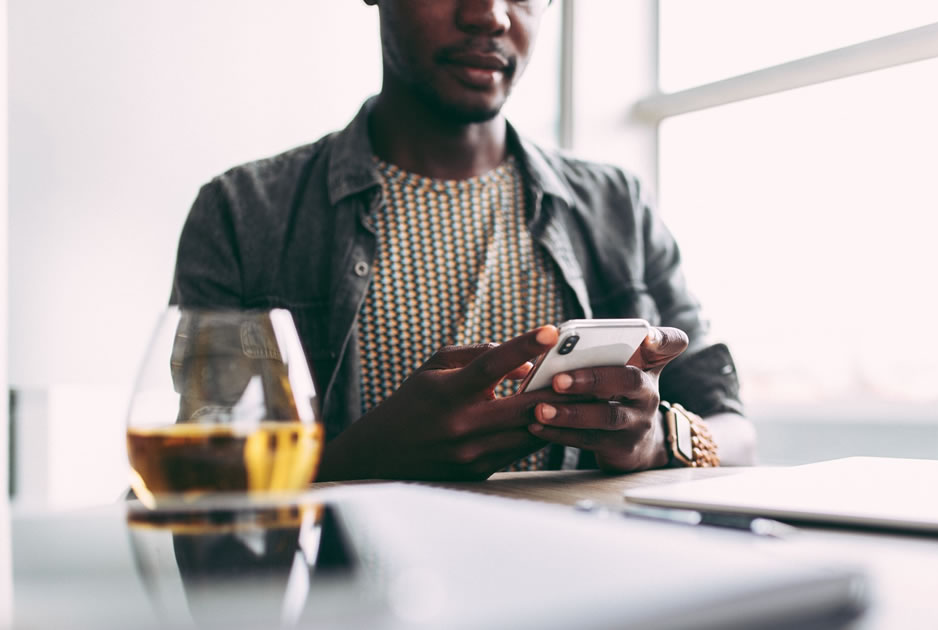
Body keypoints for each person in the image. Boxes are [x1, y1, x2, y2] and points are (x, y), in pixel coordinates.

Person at [170, 0, 756, 481]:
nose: (491, 15)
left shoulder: (617, 206)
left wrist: (658, 439)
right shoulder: (244, 212)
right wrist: (356, 462)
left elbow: (736, 431)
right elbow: (201, 474)